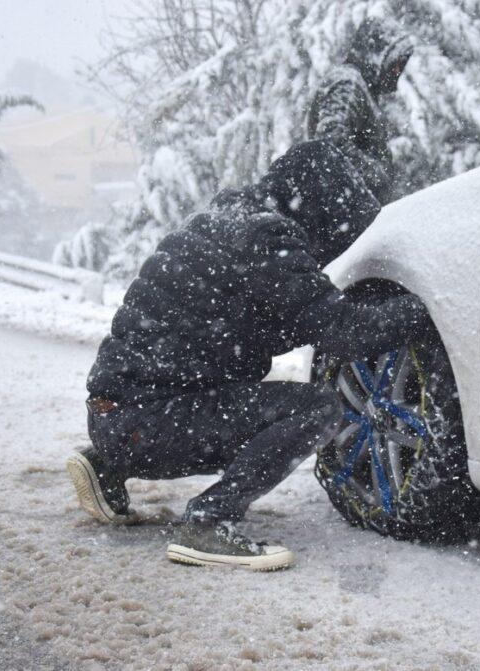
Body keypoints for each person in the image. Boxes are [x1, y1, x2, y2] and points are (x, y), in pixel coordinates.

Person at [66, 141, 429, 571]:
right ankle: (208, 522)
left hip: (115, 417)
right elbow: (345, 332)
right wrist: (428, 304)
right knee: (316, 409)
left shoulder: (226, 223)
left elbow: (260, 324)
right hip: (148, 423)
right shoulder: (268, 243)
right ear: (320, 210)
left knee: (231, 394)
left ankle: (107, 463)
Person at [307, 18, 413, 205]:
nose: (397, 70)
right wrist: (376, 175)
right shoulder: (350, 84)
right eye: (394, 62)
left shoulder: (359, 86)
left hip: (350, 205)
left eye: (401, 64)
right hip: (345, 208)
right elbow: (330, 141)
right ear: (375, 53)